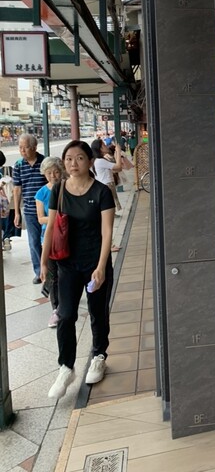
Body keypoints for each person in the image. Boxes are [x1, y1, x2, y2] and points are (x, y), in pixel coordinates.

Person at [40, 140, 115, 400]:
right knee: (65, 314)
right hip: (67, 264)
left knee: (97, 312)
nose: (73, 163)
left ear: (90, 161)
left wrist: (102, 266)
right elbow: (51, 226)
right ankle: (66, 367)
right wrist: (44, 261)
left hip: (95, 263)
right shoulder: (59, 189)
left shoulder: (102, 192)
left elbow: (107, 232)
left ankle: (99, 356)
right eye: (69, 158)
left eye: (80, 158)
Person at [35, 157, 65, 329]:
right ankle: (56, 309)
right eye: (49, 173)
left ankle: (68, 301)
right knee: (52, 276)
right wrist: (59, 218)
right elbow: (40, 218)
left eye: (56, 172)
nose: (53, 176)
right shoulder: (41, 193)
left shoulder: (67, 188)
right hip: (49, 239)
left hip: (67, 237)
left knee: (66, 273)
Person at [13, 134, 46, 283]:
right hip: (30, 211)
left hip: (46, 210)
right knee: (34, 242)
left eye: (25, 147)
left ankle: (51, 269)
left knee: (48, 240)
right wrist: (17, 212)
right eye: (20, 147)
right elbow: (17, 190)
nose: (22, 150)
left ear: (34, 147)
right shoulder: (19, 165)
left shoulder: (44, 162)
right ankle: (39, 273)